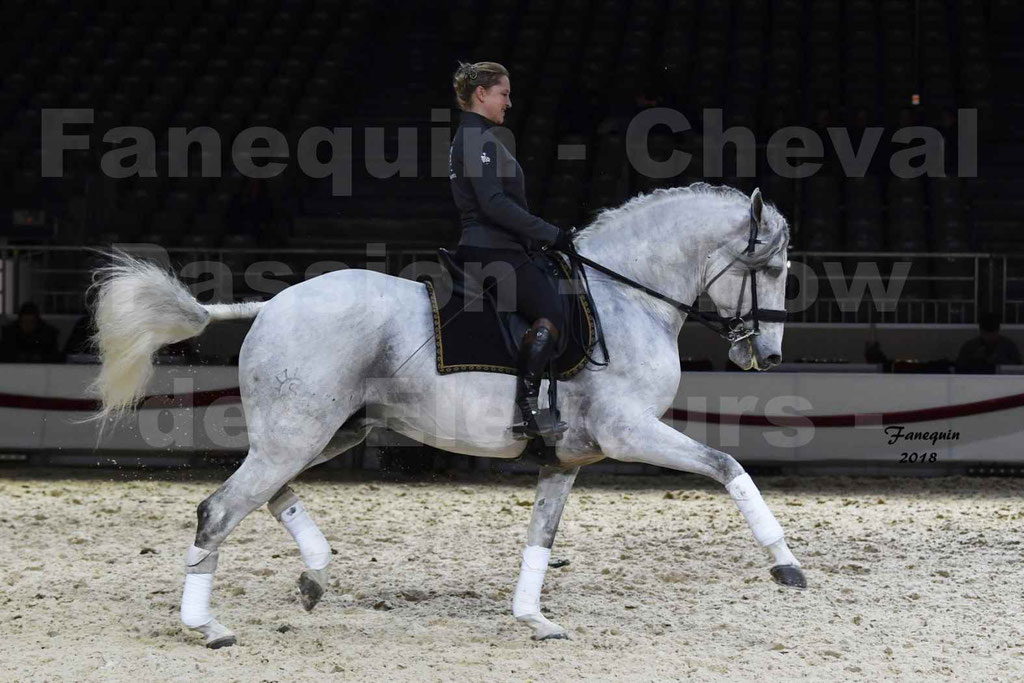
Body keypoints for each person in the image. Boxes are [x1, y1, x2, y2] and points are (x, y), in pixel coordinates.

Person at [448, 60, 574, 441]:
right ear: (481, 94)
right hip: (491, 250)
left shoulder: (481, 138)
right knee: (551, 311)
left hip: (501, 245)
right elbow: (493, 204)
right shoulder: (476, 140)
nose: (509, 102)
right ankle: (529, 411)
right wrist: (550, 233)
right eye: (503, 94)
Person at [955, 312, 1022, 373]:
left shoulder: (1008, 346)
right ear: (981, 332)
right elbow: (958, 369)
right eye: (987, 335)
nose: (990, 338)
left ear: (998, 331)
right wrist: (975, 359)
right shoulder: (970, 346)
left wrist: (1000, 360)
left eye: (993, 334)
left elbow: (1018, 368)